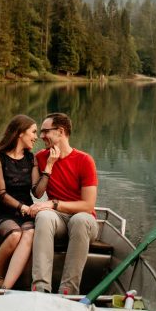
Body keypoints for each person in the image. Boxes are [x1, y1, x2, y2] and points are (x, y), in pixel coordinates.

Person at [29, 112, 99, 295]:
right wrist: (49, 166)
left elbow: (88, 205)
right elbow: (37, 193)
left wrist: (53, 204)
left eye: (45, 131)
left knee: (79, 220)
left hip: (84, 221)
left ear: (60, 131)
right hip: (57, 220)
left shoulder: (84, 160)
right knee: (44, 216)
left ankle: (68, 291)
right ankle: (40, 289)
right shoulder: (41, 157)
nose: (41, 136)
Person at [0, 114, 41, 289]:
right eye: (33, 132)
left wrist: (49, 169)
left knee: (29, 233)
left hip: (25, 212)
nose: (36, 137)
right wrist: (23, 207)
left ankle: (10, 284)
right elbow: (1, 194)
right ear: (20, 133)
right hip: (1, 212)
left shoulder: (31, 158)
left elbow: (37, 192)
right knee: (14, 235)